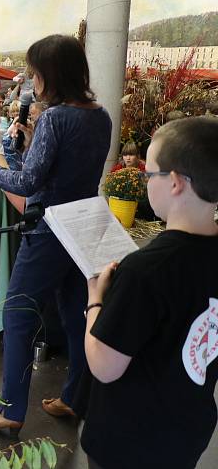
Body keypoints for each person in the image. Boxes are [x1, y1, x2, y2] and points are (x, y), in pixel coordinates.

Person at [0, 34, 112, 434]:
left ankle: (11, 410)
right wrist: (25, 144)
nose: (31, 80)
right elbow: (60, 170)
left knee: (17, 314)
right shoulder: (99, 114)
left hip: (49, 229)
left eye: (33, 72)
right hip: (84, 222)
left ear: (49, 74)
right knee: (75, 312)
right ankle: (74, 398)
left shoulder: (55, 117)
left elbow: (29, 183)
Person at [80, 116, 218, 469]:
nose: (144, 183)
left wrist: (95, 298)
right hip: (187, 430)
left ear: (173, 183)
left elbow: (104, 366)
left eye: (149, 174)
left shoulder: (145, 272)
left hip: (130, 442)